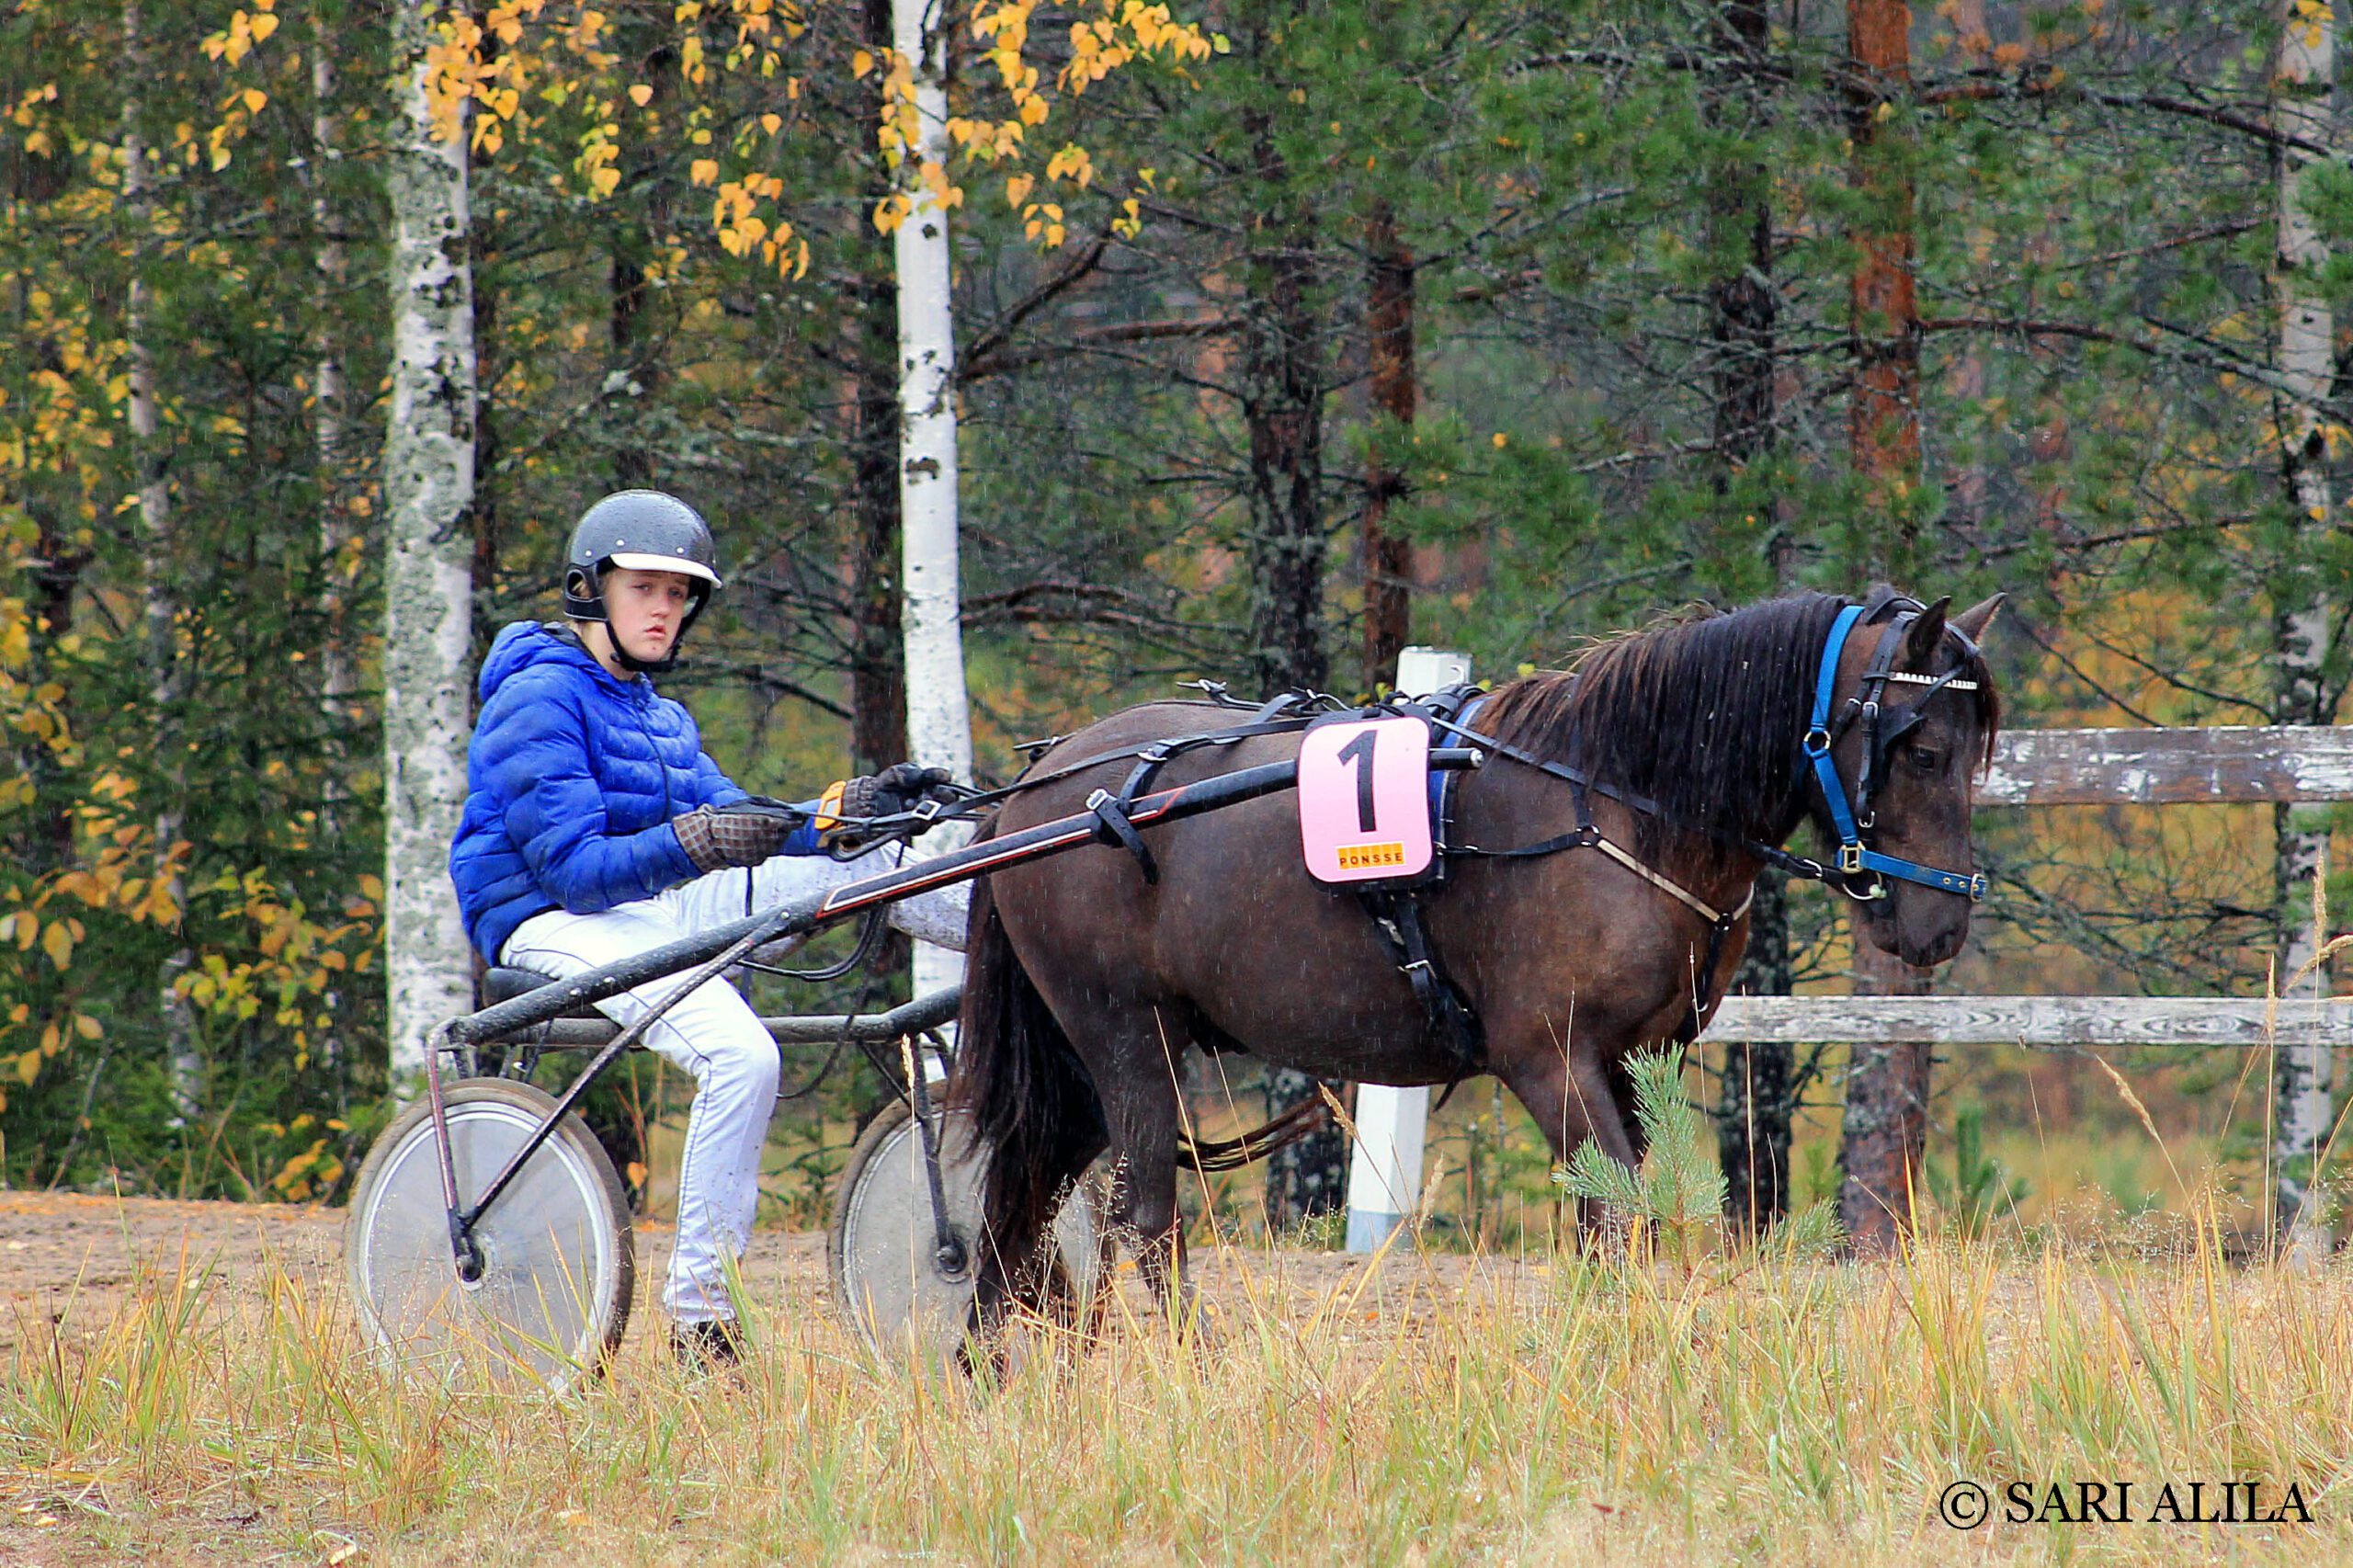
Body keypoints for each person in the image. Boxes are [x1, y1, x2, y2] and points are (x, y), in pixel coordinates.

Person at [448, 489, 966, 1366]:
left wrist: (848, 811)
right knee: (741, 1056)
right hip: (549, 917)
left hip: (655, 905)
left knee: (865, 862)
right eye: (645, 588)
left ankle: (1032, 942)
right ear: (589, 589)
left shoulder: (658, 715)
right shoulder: (536, 699)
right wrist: (698, 843)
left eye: (678, 594)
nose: (664, 609)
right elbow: (574, 870)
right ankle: (702, 1325)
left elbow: (741, 817)